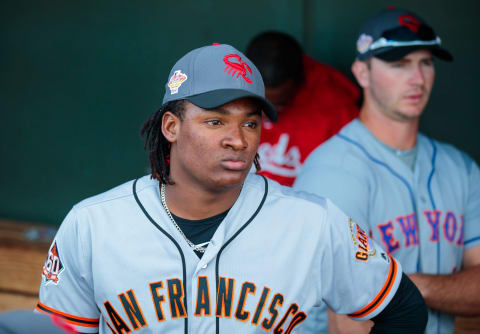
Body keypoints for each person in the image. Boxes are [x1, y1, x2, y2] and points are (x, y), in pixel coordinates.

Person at [36, 43, 427, 333]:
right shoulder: (93, 224)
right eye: (216, 121)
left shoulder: (312, 221)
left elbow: (404, 308)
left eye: (250, 123)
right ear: (171, 127)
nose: (238, 139)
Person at [295, 7, 480, 334]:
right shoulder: (333, 171)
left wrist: (400, 287)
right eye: (399, 64)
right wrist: (445, 289)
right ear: (362, 73)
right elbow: (349, 322)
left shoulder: (460, 168)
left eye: (426, 63)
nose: (418, 79)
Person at [245, 31, 359, 186]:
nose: (264, 112)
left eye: (276, 104)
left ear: (300, 80)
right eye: (258, 100)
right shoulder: (231, 83)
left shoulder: (336, 105)